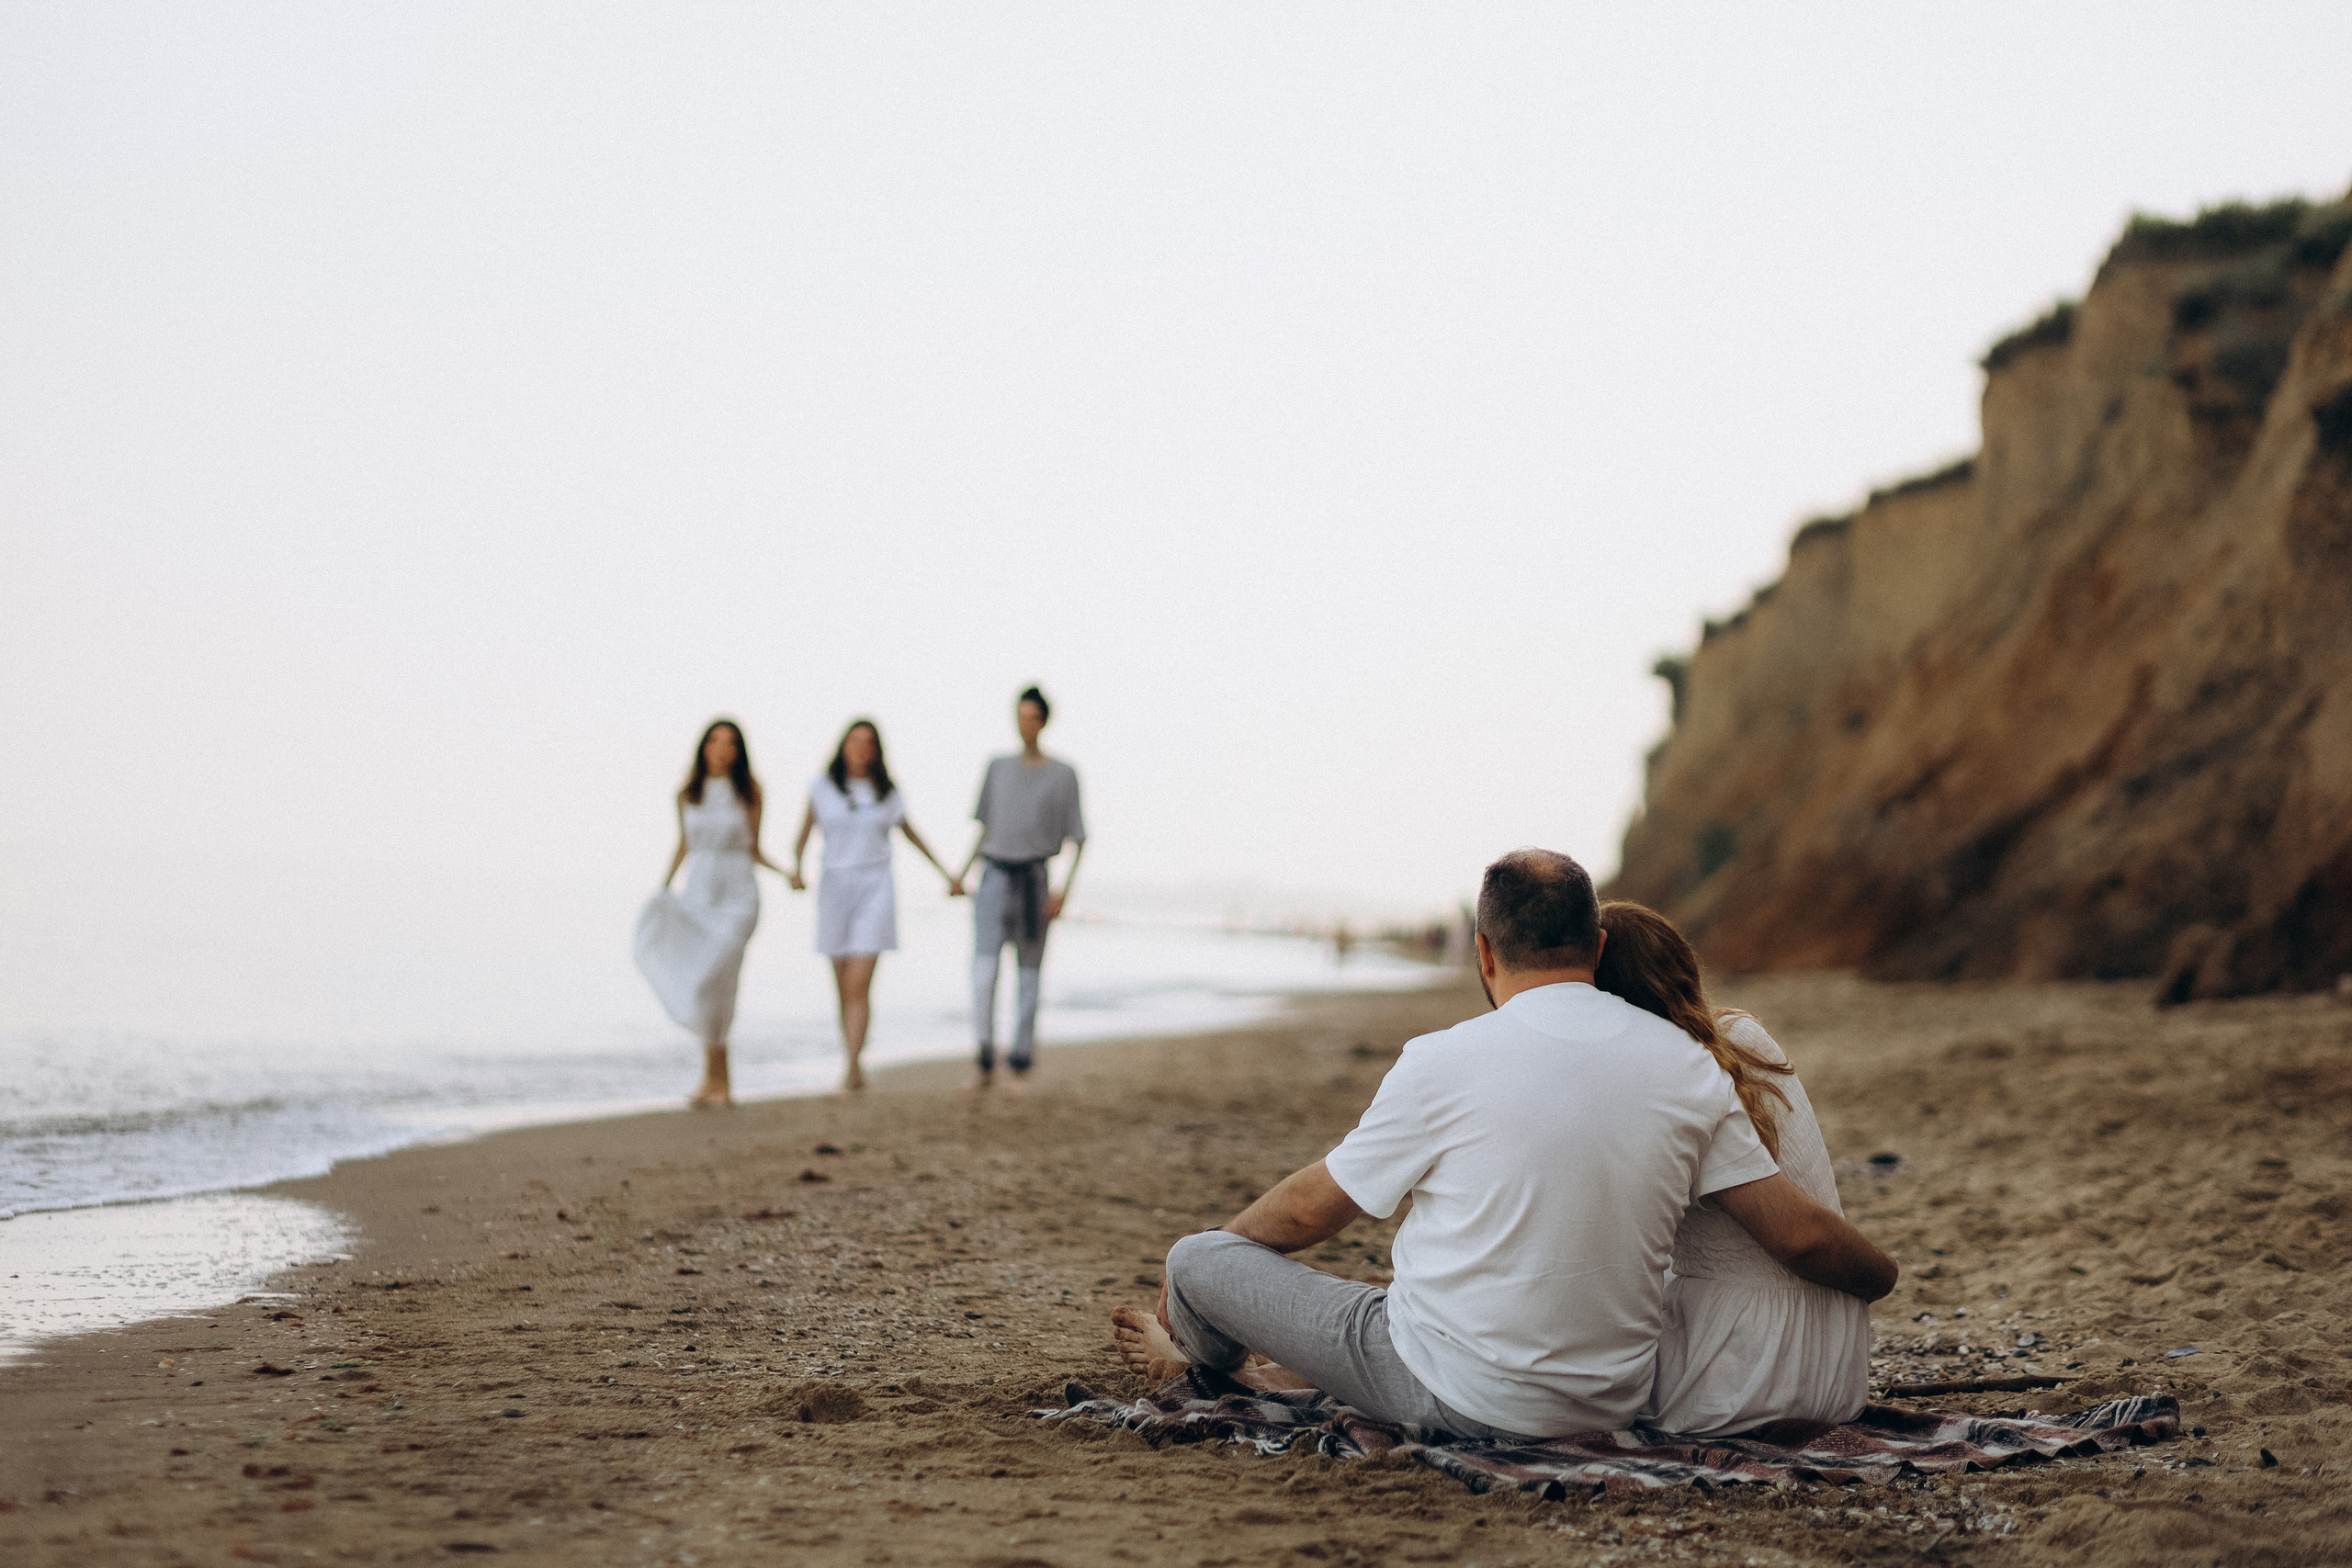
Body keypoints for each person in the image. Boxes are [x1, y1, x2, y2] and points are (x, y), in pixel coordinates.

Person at [1112, 848, 1896, 1442]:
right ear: (1594, 945)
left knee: (1197, 1259)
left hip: (1453, 1395)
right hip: (1610, 1400)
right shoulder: (1688, 1064)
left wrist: (1223, 1250)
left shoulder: (1442, 1059)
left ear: (1484, 953)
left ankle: (1200, 1360)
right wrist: (1884, 1274)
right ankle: (1245, 1357)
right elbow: (1795, 1232)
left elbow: (1313, 1209)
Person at [1592, 900, 1871, 1435]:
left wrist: (1884, 1275)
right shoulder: (1742, 1037)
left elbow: (1799, 1238)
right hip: (1834, 1366)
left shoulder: (1662, 1079)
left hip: (1745, 1377)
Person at [786, 718, 962, 1092]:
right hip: (835, 887)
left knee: (859, 982)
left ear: (877, 751)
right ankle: (852, 1057)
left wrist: (947, 874)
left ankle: (852, 1065)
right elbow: (801, 835)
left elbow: (912, 834)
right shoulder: (823, 788)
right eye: (854, 741)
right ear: (842, 746)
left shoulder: (887, 793)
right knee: (841, 984)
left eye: (868, 743)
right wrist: (797, 871)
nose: (860, 749)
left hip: (876, 888)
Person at [633, 719, 790, 1108]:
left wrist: (787, 873)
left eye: (732, 743)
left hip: (738, 893)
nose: (723, 749)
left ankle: (723, 1079)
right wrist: (664, 889)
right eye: (715, 741)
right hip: (699, 892)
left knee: (723, 975)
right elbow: (683, 845)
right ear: (703, 747)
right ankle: (711, 1078)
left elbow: (755, 848)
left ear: (740, 751)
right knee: (706, 985)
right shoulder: (688, 793)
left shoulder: (750, 791)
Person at [953, 686, 1085, 1090]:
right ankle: (983, 1056)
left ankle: (1022, 1060)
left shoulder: (1063, 774)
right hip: (993, 875)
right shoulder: (997, 767)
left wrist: (1063, 890)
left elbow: (1078, 838)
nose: (1024, 723)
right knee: (984, 970)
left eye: (1031, 716)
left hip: (1035, 880)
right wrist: (962, 873)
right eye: (1019, 715)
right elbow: (984, 827)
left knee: (1028, 975)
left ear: (1043, 721)